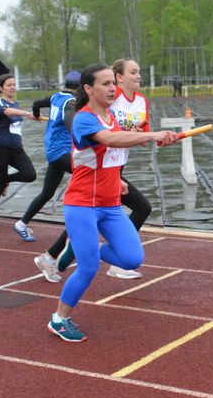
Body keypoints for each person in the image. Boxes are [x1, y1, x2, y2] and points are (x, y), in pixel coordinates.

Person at [44, 63, 178, 342]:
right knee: (88, 268)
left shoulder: (111, 117)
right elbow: (109, 140)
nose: (111, 88)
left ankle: (91, 250)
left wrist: (117, 178)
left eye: (111, 83)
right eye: (104, 84)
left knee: (132, 259)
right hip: (81, 204)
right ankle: (59, 318)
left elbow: (111, 152)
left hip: (110, 204)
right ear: (88, 89)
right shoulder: (83, 118)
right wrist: (150, 135)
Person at [35, 58, 157, 282]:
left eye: (140, 72)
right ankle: (110, 259)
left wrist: (141, 134)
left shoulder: (141, 101)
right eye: (133, 72)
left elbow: (140, 132)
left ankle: (55, 255)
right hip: (99, 168)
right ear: (119, 77)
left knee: (92, 217)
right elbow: (95, 131)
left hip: (116, 167)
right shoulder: (108, 99)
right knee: (138, 207)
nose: (138, 76)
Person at [14, 70, 80, 242]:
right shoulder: (71, 102)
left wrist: (36, 114)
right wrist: (85, 138)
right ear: (79, 87)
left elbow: (36, 103)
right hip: (61, 152)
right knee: (90, 174)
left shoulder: (55, 96)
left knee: (47, 193)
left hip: (53, 151)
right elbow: (70, 124)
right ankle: (80, 225)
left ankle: (21, 224)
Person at [0, 74, 38, 226]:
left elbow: (16, 127)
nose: (12, 87)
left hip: (16, 149)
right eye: (9, 85)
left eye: (14, 84)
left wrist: (21, 143)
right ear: (1, 88)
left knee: (30, 175)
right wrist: (28, 113)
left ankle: (5, 180)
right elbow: (8, 112)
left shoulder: (16, 103)